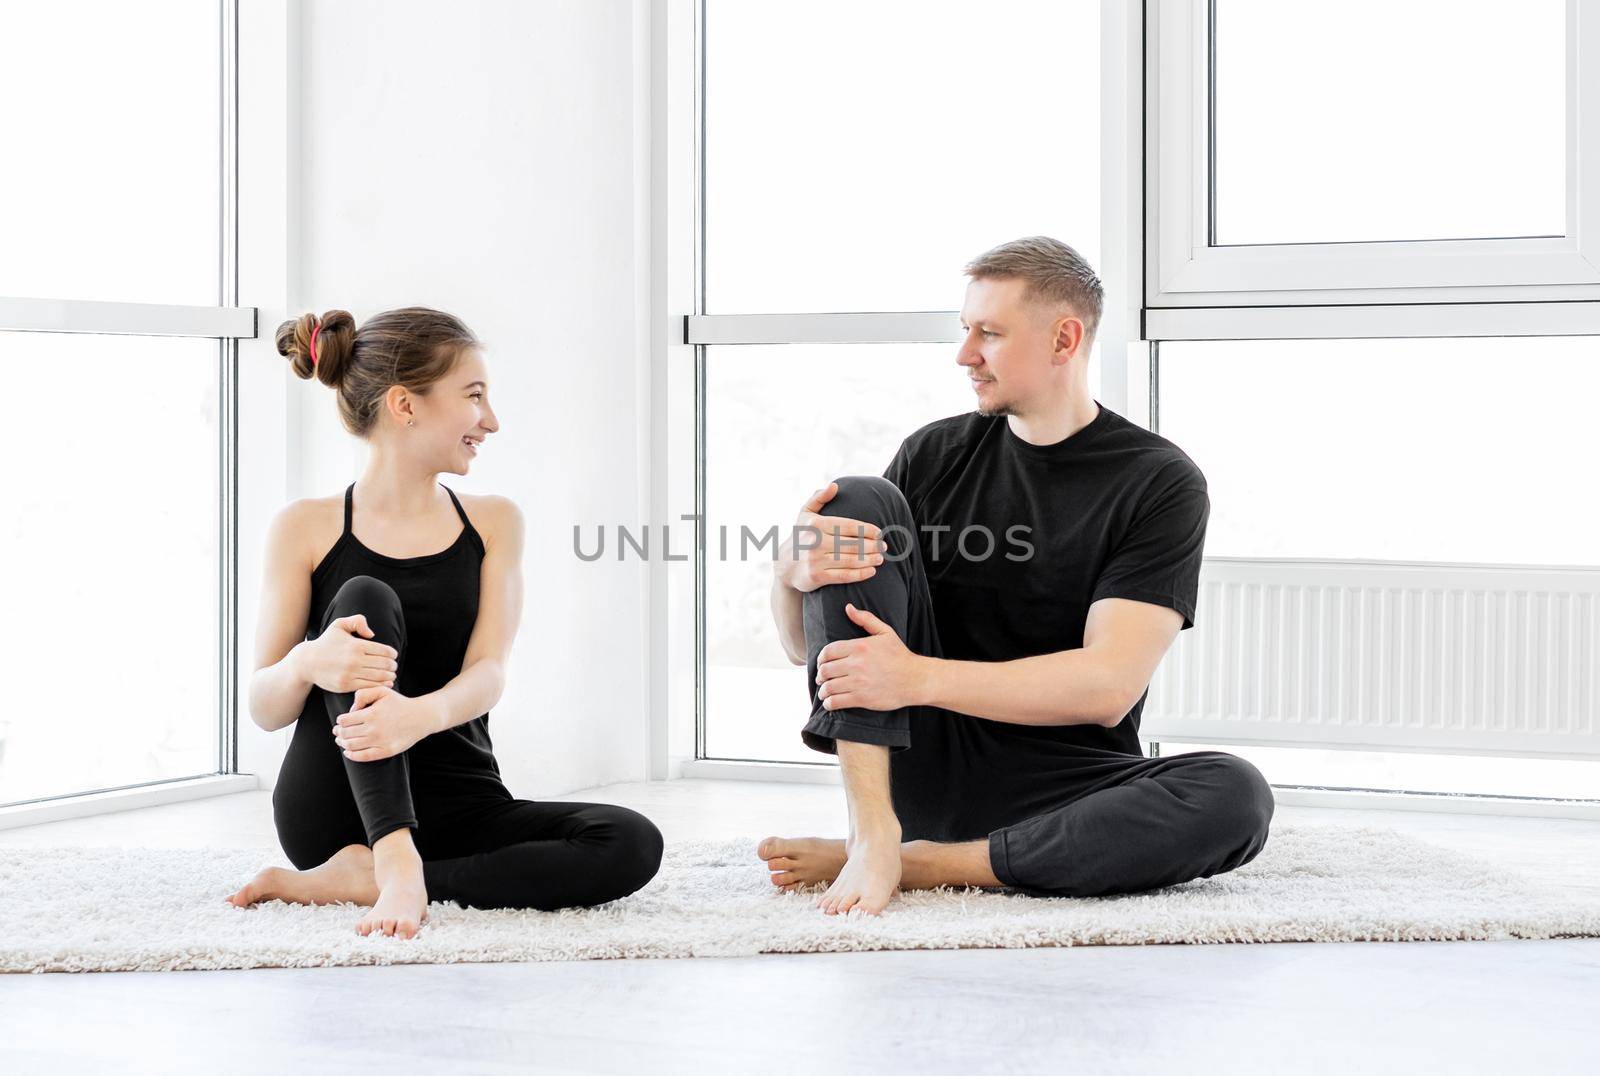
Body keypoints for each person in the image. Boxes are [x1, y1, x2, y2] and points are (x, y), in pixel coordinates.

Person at [759, 237, 1275, 916]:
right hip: (917, 754)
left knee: (1234, 793)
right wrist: (789, 576)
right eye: (965, 330)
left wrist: (916, 676)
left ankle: (925, 863)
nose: (965, 354)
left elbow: (1106, 687)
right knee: (855, 501)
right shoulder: (933, 453)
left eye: (990, 333)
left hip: (1064, 784)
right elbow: (812, 652)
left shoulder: (1157, 481)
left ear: (1064, 340)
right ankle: (872, 830)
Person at [226, 306, 663, 938]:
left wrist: (418, 716)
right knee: (364, 596)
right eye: (474, 396)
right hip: (339, 810)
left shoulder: (493, 522)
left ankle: (368, 878)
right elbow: (265, 707)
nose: (490, 421)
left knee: (629, 842)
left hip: (459, 797)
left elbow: (489, 671)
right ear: (406, 405)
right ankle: (394, 857)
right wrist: (309, 660)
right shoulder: (305, 526)